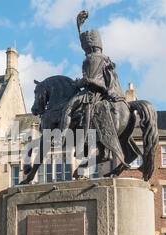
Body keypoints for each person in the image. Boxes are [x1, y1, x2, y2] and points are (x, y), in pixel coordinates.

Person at [60, 11, 129, 167]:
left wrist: (82, 82)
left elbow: (94, 82)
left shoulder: (90, 59)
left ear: (89, 46)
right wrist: (79, 27)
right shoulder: (106, 59)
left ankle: (62, 137)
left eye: (85, 46)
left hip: (91, 94)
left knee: (68, 108)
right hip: (102, 94)